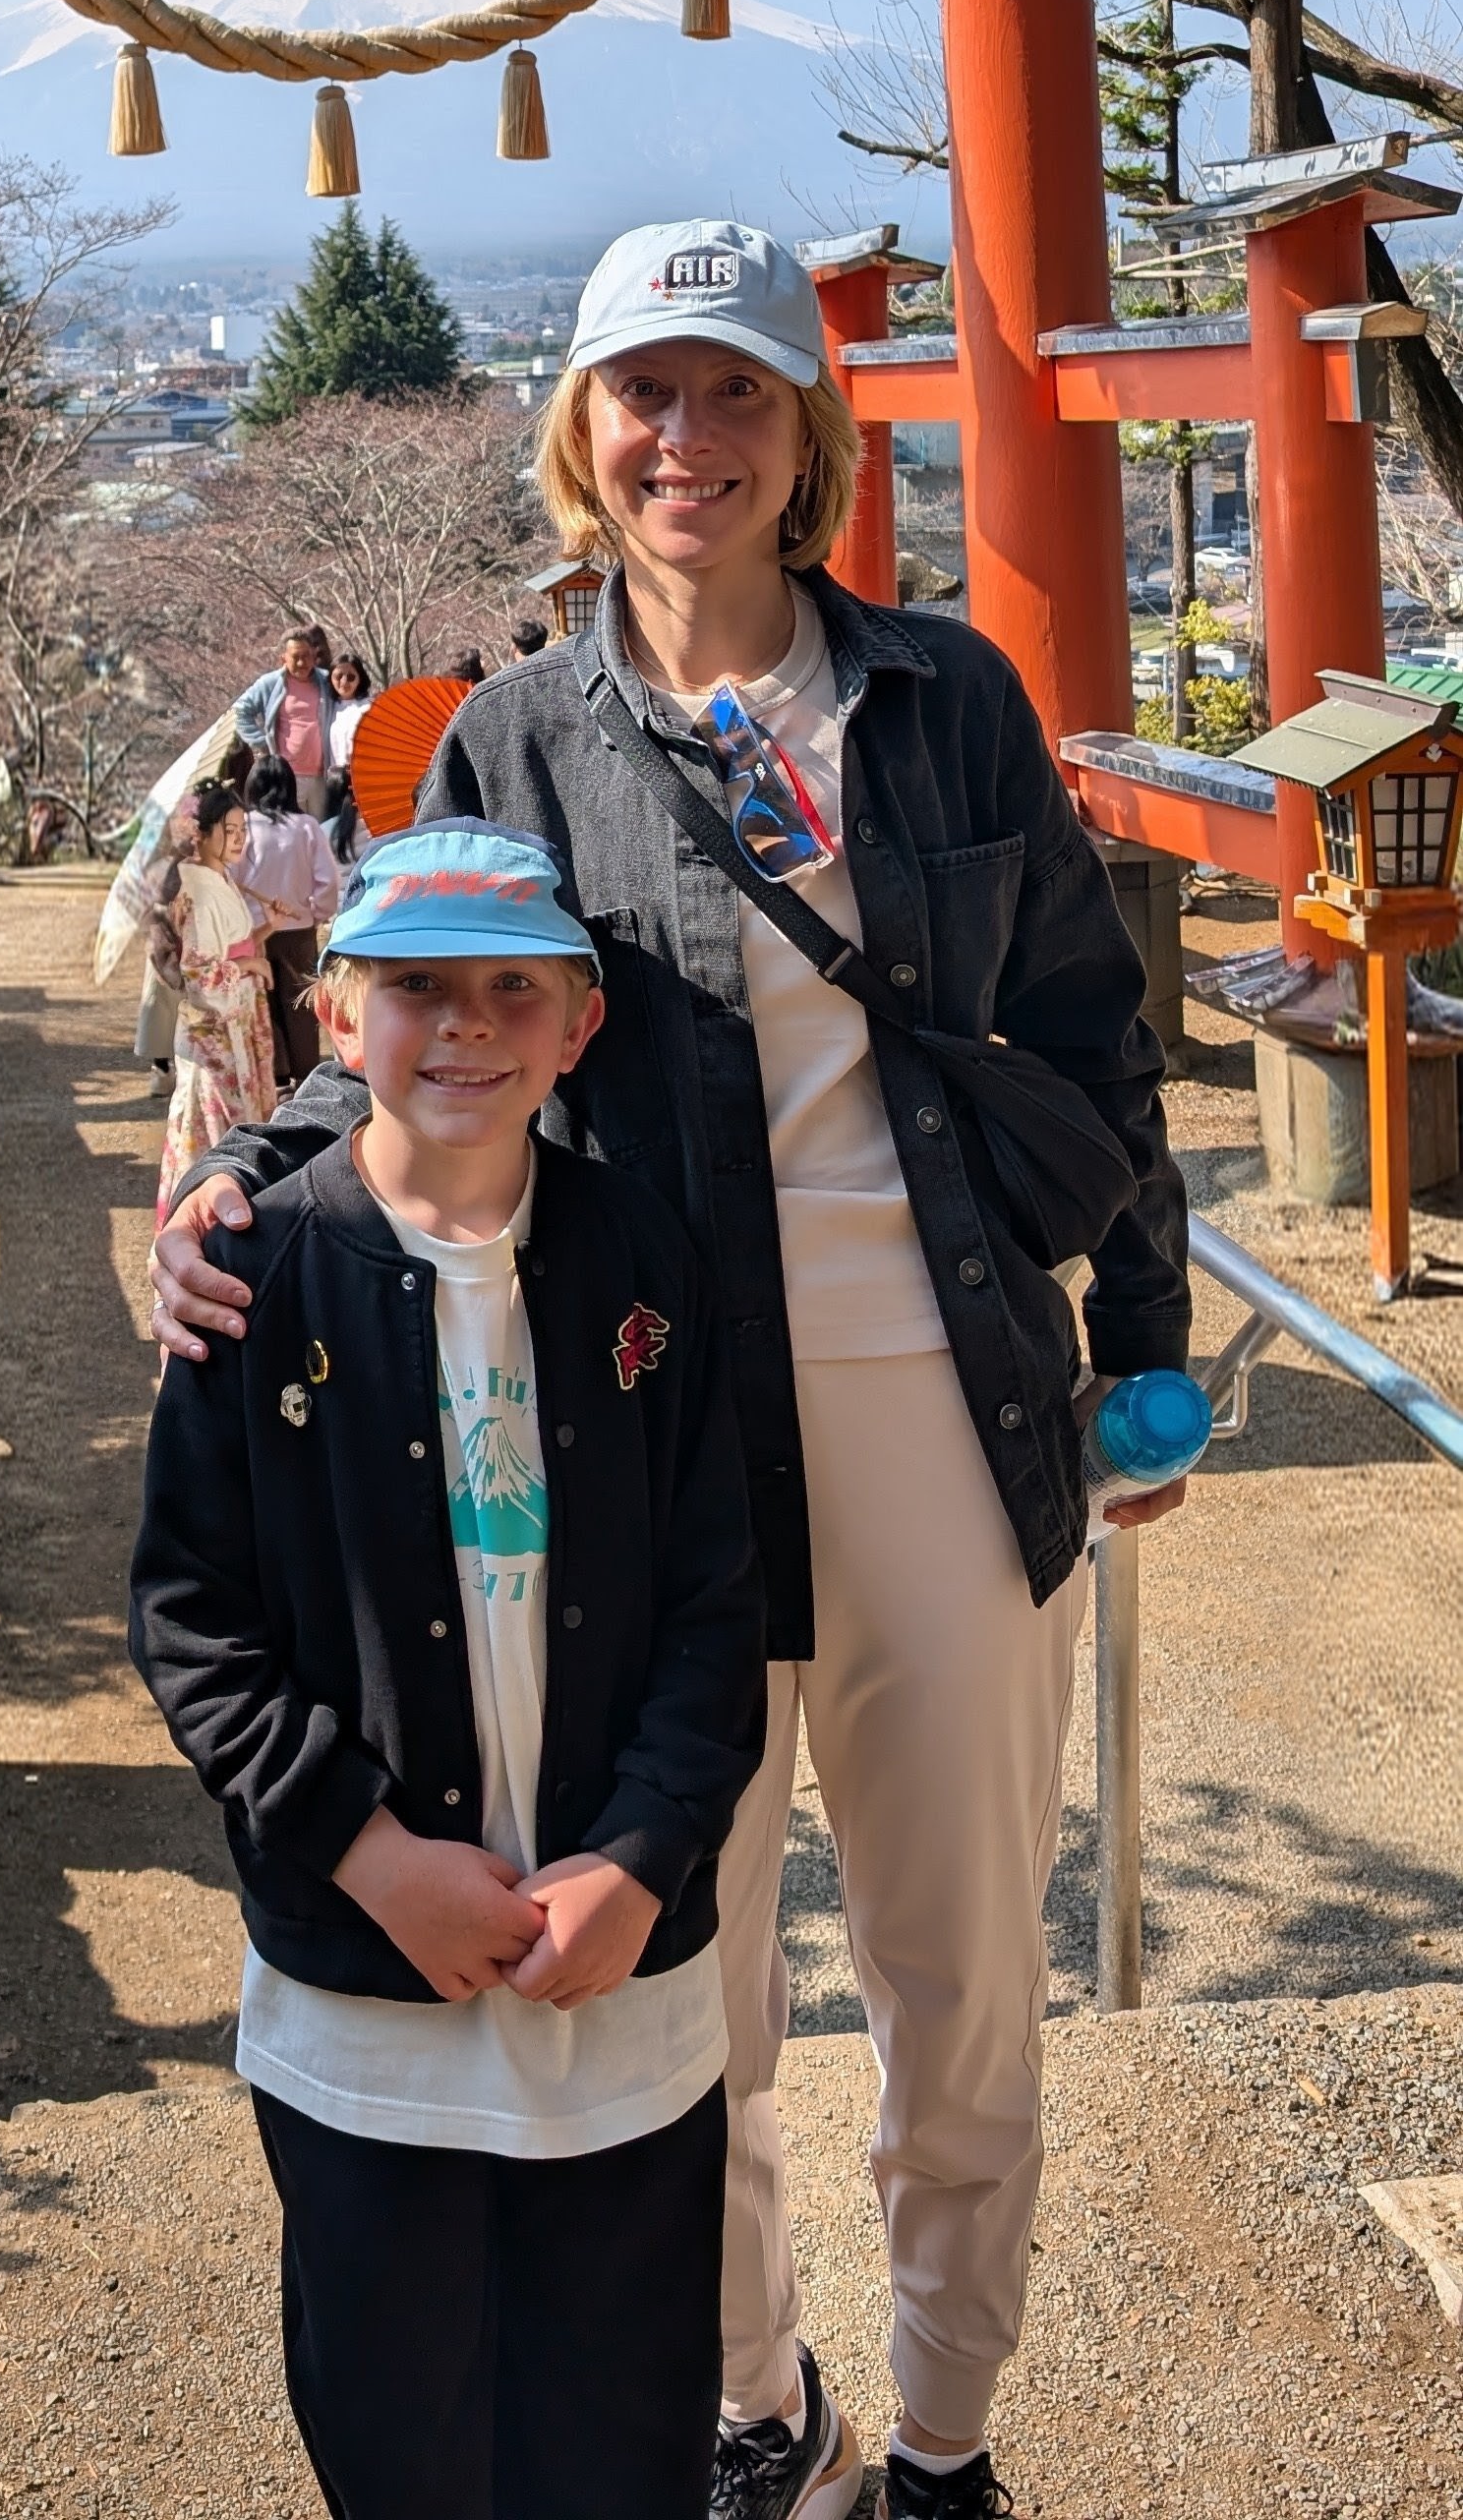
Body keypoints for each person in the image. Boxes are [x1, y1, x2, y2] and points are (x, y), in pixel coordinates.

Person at [152, 215, 1193, 2520]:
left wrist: (1147, 1364)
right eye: (646, 392)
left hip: (948, 1410)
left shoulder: (947, 703)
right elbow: (426, 1003)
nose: (685, 439)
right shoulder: (523, 727)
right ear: (584, 433)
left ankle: (940, 2443)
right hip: (641, 1436)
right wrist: (259, 1173)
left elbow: (1098, 1049)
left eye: (735, 391)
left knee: (960, 1994)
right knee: (665, 1999)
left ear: (806, 430)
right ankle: (757, 2414)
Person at [131, 820, 767, 2520]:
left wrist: (640, 1859)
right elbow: (191, 1617)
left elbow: (721, 1601)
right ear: (335, 1019)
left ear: (580, 1024)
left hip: (620, 1988)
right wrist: (363, 1847)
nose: (465, 1026)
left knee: (623, 2434)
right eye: (414, 986)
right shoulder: (254, 1277)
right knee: (395, 2439)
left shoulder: (650, 1266)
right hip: (361, 2004)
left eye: (512, 989)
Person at [149, 780, 275, 1219]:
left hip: (234, 1021)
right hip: (216, 1035)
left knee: (223, 1127)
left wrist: (265, 931)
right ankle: (202, 1221)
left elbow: (230, 948)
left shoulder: (217, 877)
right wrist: (251, 966)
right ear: (201, 833)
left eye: (243, 830)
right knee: (211, 1131)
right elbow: (202, 973)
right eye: (230, 829)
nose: (239, 838)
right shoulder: (199, 890)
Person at [234, 749, 343, 1086]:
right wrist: (317, 912)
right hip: (297, 926)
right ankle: (306, 1072)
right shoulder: (307, 827)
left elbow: (231, 876)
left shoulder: (243, 826)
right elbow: (328, 880)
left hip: (255, 930)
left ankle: (275, 1073)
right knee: (300, 1002)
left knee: (263, 1001)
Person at [232, 626, 339, 810]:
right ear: (283, 658)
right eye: (295, 657)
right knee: (292, 830)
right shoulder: (271, 684)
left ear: (314, 655)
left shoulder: (327, 682)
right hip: (287, 775)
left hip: (322, 774)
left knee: (321, 833)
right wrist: (261, 742)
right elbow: (241, 711)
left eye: (306, 656)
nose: (301, 662)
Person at [324, 646, 375, 753]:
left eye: (351, 677)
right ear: (331, 679)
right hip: (333, 769)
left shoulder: (369, 708)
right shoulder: (327, 707)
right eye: (338, 676)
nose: (344, 682)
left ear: (360, 679)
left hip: (361, 768)